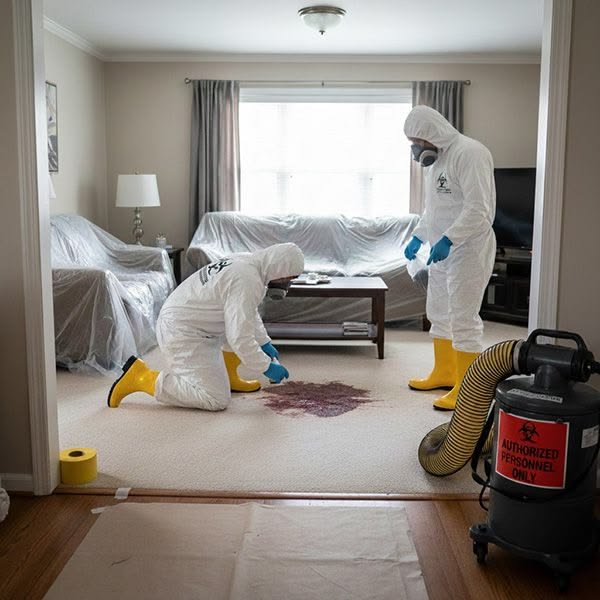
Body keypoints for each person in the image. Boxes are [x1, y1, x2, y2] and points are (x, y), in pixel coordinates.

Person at [107, 243, 305, 411]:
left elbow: (247, 312)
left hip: (191, 321)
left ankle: (229, 377)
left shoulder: (248, 263)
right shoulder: (247, 279)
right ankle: (142, 378)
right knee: (215, 398)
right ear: (280, 269)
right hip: (181, 332)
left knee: (235, 321)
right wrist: (266, 366)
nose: (287, 284)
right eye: (288, 278)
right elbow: (240, 337)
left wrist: (263, 342)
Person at [403, 105, 496, 411]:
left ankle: (468, 389)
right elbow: (434, 209)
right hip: (440, 251)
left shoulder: (471, 153)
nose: (417, 149)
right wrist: (419, 236)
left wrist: (449, 238)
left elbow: (478, 208)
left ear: (432, 133)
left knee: (463, 317)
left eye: (418, 142)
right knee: (439, 311)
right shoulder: (437, 161)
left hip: (468, 249)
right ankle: (444, 372)